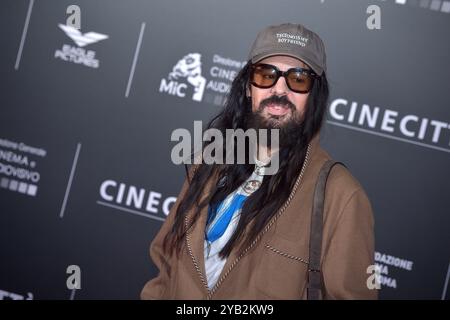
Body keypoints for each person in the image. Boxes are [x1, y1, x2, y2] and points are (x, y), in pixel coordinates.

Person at [141, 23, 377, 299]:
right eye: (266, 75)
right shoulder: (210, 161)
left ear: (315, 96)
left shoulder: (341, 196)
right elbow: (166, 262)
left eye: (298, 78)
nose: (280, 90)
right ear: (248, 87)